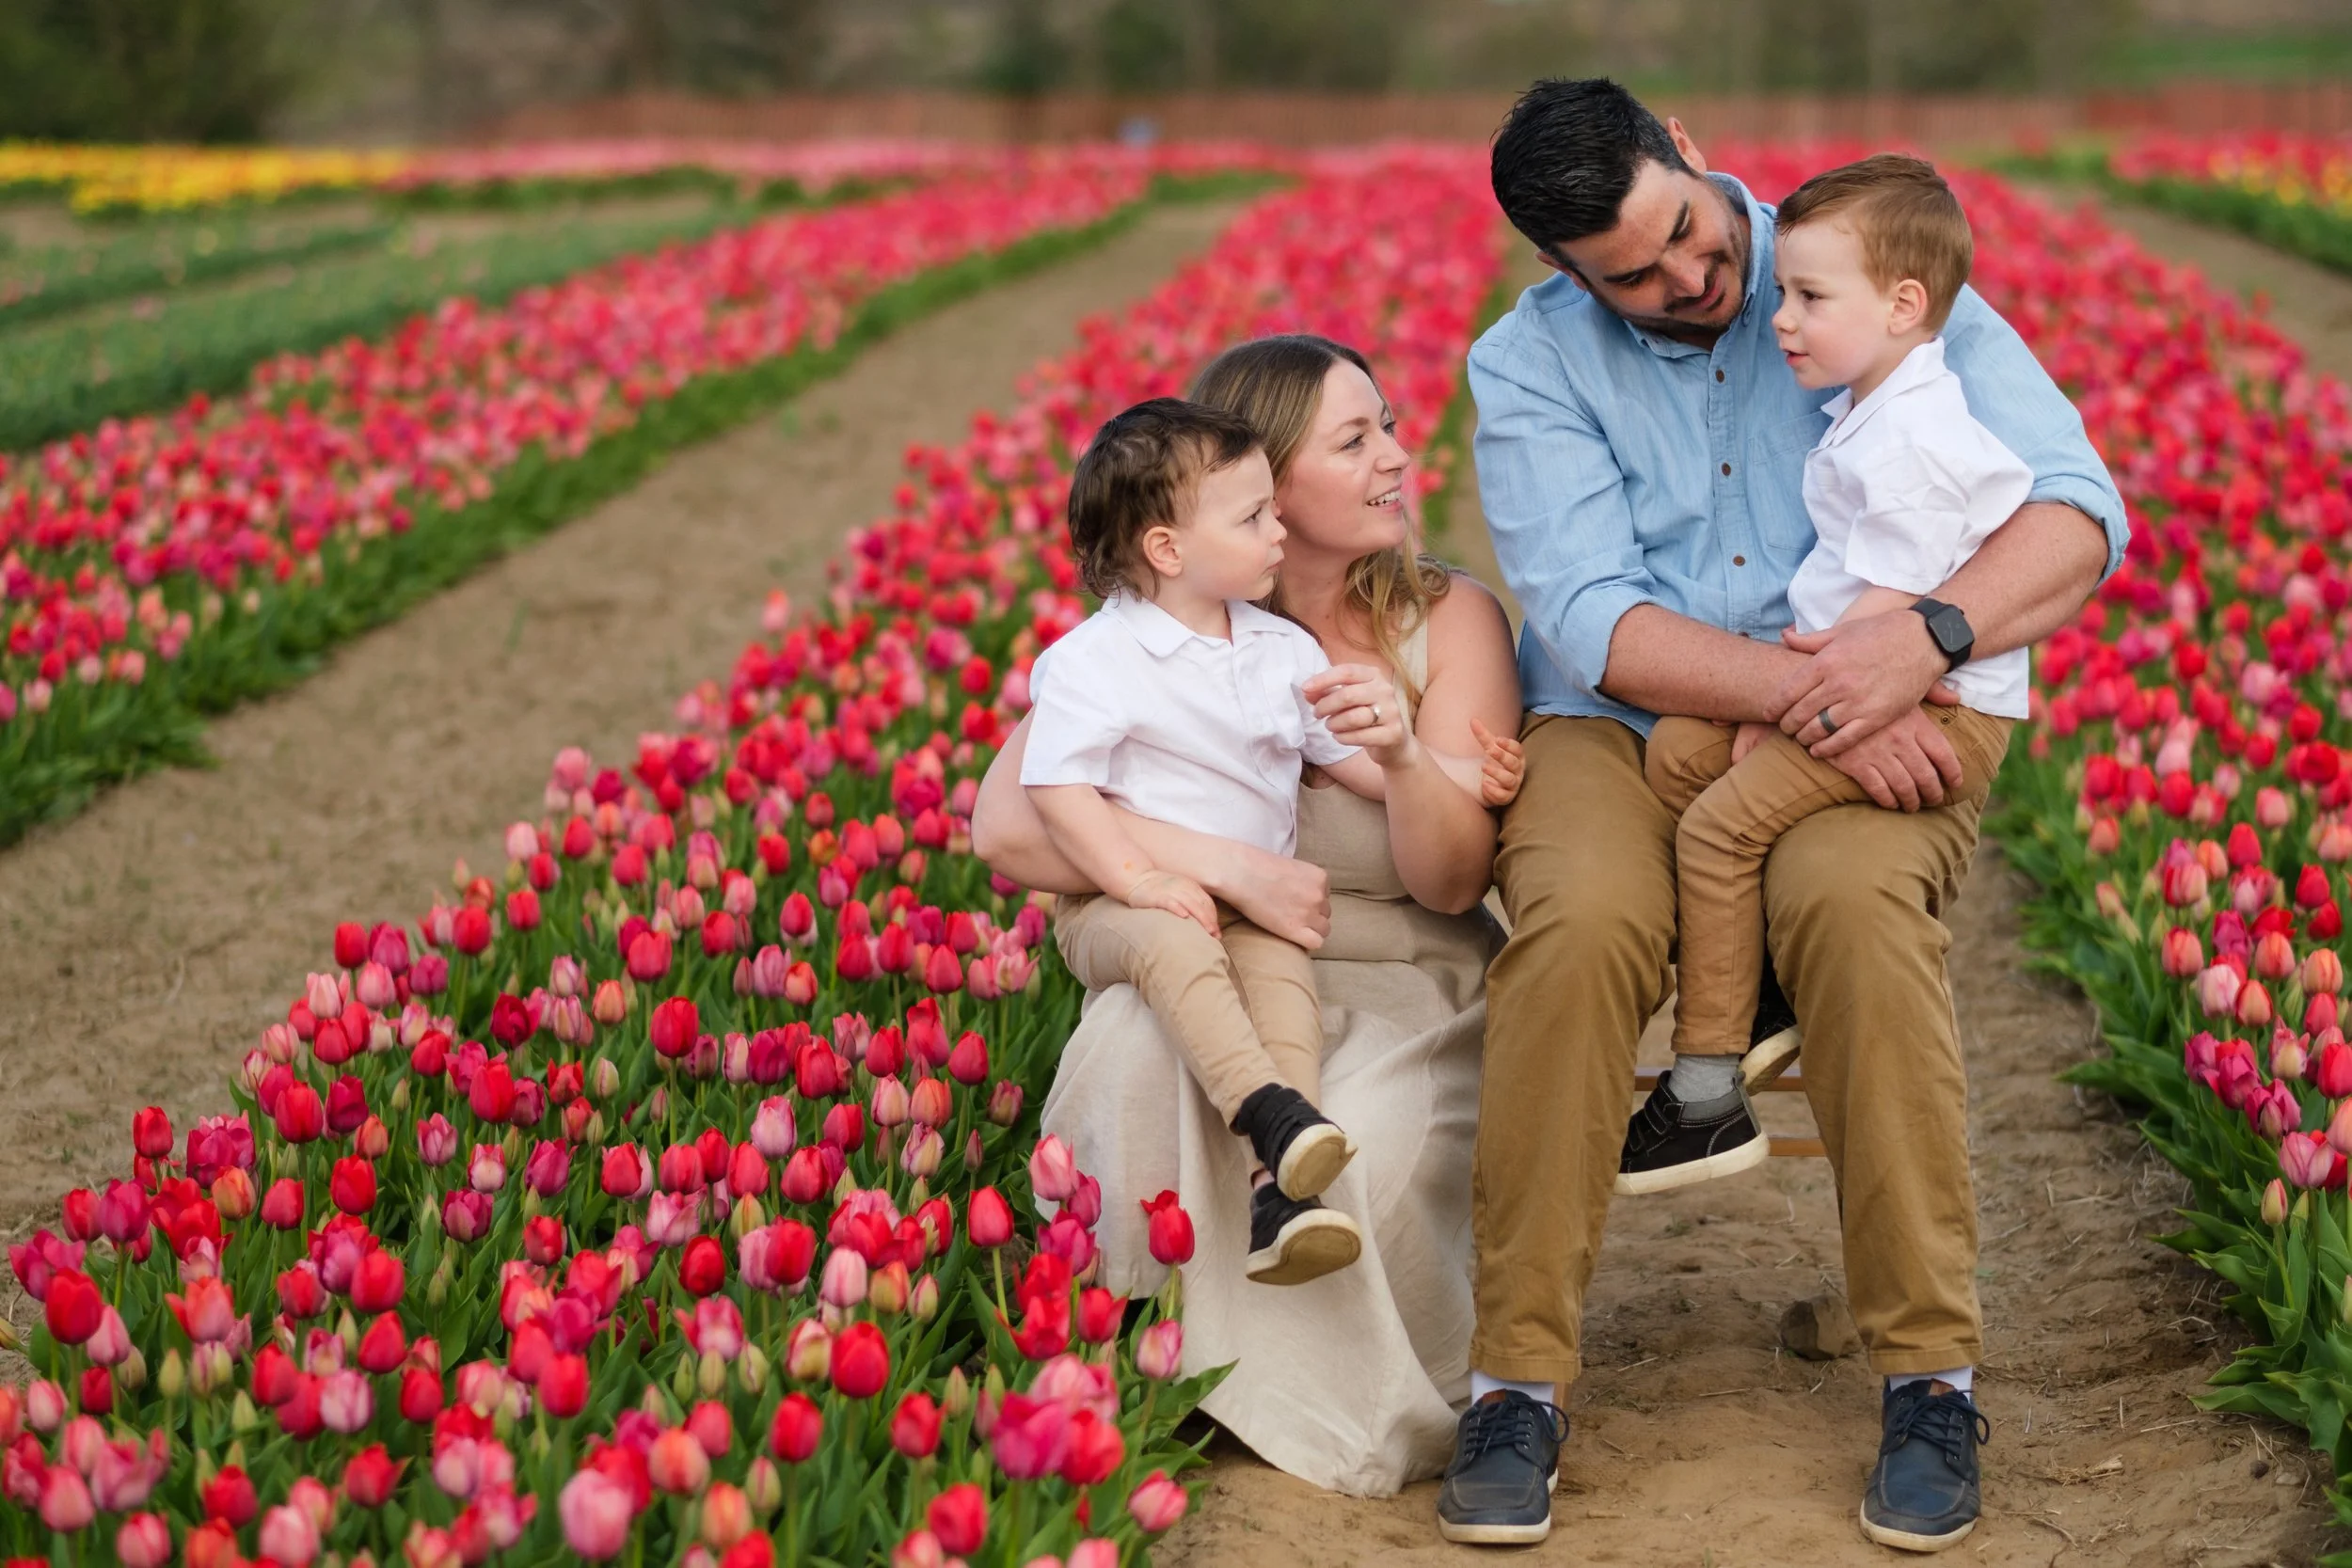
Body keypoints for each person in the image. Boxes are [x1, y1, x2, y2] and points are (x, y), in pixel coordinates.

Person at [1441, 80, 2127, 1553]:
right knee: (1576, 930)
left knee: (1858, 913)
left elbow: (2076, 515)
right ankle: (1516, 1381)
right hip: (1629, 725)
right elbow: (1594, 617)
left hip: (1889, 715)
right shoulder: (1529, 362)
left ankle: (1929, 1375)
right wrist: (1816, 691)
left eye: (1691, 233)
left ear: (1689, 149)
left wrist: (1924, 641)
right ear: (1559, 267)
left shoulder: (1860, 262)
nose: (1693, 278)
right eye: (1632, 275)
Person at [973, 333, 1523, 1495]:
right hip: (1210, 945)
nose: (1397, 457)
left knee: (1362, 1130)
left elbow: (1452, 879)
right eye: (1355, 439)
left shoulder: (1444, 620)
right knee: (1129, 1054)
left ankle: (1327, 1403)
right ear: (1260, 481)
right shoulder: (1148, 636)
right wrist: (1232, 866)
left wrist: (1406, 758)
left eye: (1387, 427)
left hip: (1404, 970)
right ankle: (1141, 1362)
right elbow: (1010, 829)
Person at [1022, 395, 1518, 1285]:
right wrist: (1138, 879)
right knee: (1178, 955)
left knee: (1287, 1001)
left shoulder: (1277, 647)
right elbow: (1053, 789)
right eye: (1254, 517)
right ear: (1167, 549)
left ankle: (1280, 1188)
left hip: (1260, 913)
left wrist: (1458, 772)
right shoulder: (1094, 661)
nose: (1276, 530)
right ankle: (1259, 1117)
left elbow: (1354, 758)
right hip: (1127, 905)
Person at [1629, 153, 2029, 1197]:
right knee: (1680, 753)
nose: (1781, 320)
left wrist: (1789, 716)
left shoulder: (1913, 442)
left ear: (1904, 305)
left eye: (1810, 298)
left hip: (1920, 703)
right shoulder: (1877, 402)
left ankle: (1704, 1091)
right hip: (1857, 679)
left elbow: (1887, 623)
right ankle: (1766, 978)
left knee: (1716, 830)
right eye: (1785, 294)